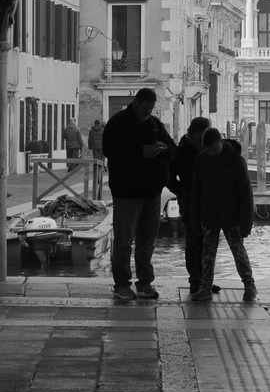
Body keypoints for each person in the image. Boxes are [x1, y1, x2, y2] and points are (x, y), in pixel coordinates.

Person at [100, 89, 175, 300]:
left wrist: (163, 148)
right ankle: (122, 284)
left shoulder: (155, 124)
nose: (147, 112)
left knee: (147, 241)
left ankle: (144, 283)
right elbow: (110, 150)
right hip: (127, 192)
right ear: (136, 102)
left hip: (151, 191)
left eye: (151, 109)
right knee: (124, 241)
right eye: (145, 108)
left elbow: (173, 148)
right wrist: (141, 152)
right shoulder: (117, 123)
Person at [188, 128, 256, 301]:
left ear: (221, 142)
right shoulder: (201, 160)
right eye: (207, 150)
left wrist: (246, 222)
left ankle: (249, 286)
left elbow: (246, 194)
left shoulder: (236, 161)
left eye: (213, 149)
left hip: (232, 216)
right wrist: (195, 219)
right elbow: (195, 192)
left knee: (238, 251)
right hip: (209, 214)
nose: (210, 153)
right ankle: (205, 288)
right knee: (207, 253)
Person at [169, 116, 213, 296]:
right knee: (193, 241)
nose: (204, 136)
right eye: (202, 133)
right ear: (194, 133)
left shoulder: (207, 148)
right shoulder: (183, 150)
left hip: (207, 200)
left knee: (207, 242)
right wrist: (182, 192)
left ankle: (206, 281)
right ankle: (195, 280)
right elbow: (170, 177)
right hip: (189, 200)